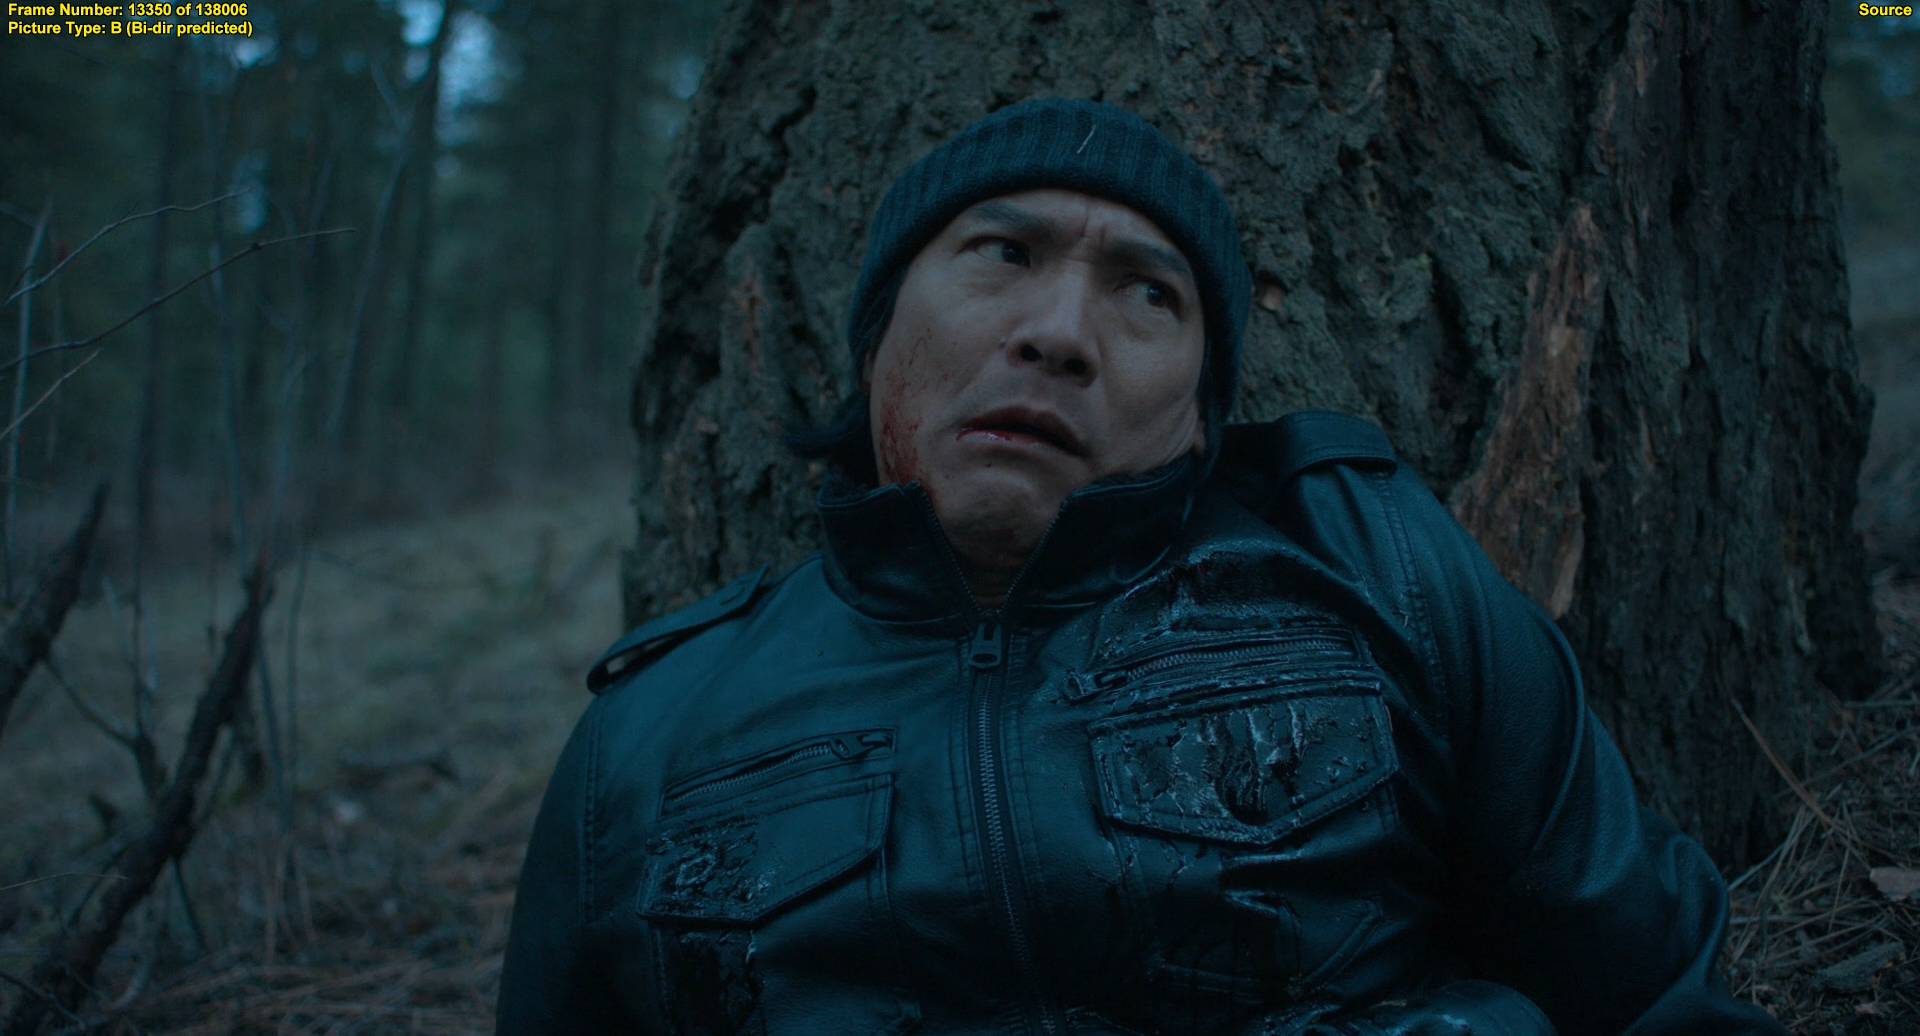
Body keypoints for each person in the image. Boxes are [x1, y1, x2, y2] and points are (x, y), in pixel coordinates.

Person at [496, 98, 1783, 1036]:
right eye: (1003, 254)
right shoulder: (647, 739)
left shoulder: (1374, 568)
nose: (1060, 334)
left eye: (1147, 293)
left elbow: (1647, 983)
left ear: (1199, 418)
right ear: (880, 333)